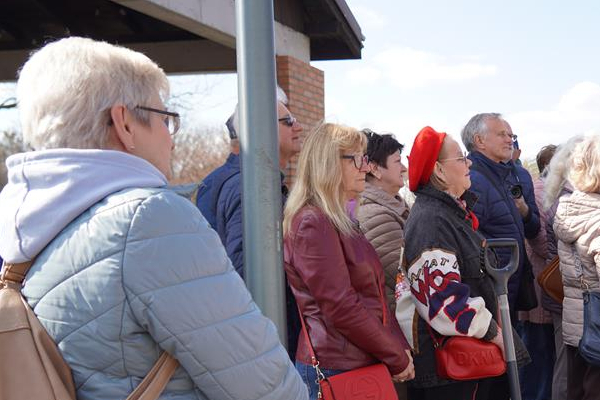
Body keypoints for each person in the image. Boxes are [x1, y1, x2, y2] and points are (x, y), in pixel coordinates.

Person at [0, 37, 307, 400]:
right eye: (165, 118)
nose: (171, 137)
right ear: (124, 123)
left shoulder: (25, 224)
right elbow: (264, 386)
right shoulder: (149, 219)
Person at [283, 122, 414, 400]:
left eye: (364, 159)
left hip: (358, 361)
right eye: (356, 159)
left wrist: (397, 345)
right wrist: (395, 354)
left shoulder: (339, 220)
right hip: (337, 367)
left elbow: (375, 296)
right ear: (328, 164)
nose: (365, 168)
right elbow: (341, 306)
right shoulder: (313, 222)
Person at [403, 126, 527, 400]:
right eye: (461, 158)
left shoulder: (449, 214)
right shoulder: (432, 221)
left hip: (468, 363)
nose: (469, 163)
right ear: (439, 170)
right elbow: (442, 300)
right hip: (453, 371)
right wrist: (494, 333)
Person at [195, 89, 303, 361]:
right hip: (264, 345)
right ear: (261, 128)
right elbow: (247, 273)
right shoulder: (251, 187)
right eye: (288, 121)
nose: (298, 127)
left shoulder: (224, 179)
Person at [461, 113, 540, 315]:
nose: (509, 140)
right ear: (479, 141)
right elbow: (467, 241)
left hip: (512, 283)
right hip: (490, 290)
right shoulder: (470, 179)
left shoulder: (518, 175)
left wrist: (524, 211)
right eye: (502, 134)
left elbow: (534, 229)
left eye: (511, 136)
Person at [357, 129, 411, 400]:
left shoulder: (395, 207)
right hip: (397, 331)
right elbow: (402, 275)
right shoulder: (377, 215)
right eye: (397, 161)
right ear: (376, 169)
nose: (404, 167)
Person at [553, 134, 600, 400]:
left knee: (577, 390)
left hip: (577, 325)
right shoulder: (597, 219)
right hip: (597, 327)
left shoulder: (572, 209)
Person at [542, 136, 584, 400]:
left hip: (570, 296)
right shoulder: (570, 203)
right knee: (569, 371)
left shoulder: (566, 197)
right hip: (572, 297)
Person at [518, 144, 557, 400]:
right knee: (539, 357)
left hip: (542, 284)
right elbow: (540, 242)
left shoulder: (543, 189)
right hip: (542, 284)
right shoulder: (542, 191)